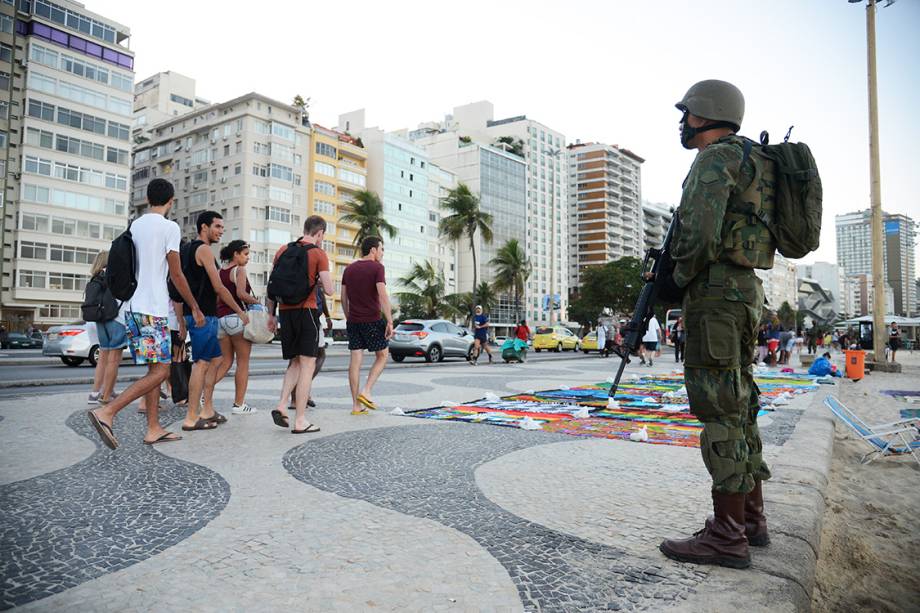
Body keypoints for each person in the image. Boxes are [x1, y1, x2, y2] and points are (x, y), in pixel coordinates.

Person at [656, 80, 774, 569]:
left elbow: (700, 233)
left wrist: (675, 278)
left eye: (687, 114)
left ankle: (727, 535)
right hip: (745, 292)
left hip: (716, 294)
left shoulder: (714, 158)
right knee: (740, 400)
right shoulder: (755, 160)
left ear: (705, 114)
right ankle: (750, 518)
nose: (683, 122)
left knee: (719, 408)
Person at [87, 178, 204, 448]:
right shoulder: (169, 227)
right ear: (171, 201)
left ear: (148, 199)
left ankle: (153, 427)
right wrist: (194, 306)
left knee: (155, 368)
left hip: (132, 308)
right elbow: (176, 272)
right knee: (162, 372)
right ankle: (107, 412)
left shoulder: (135, 225)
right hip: (153, 310)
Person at [180, 212, 250, 432]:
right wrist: (239, 311)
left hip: (203, 314)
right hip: (203, 316)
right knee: (201, 363)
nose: (221, 231)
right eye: (217, 226)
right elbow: (218, 287)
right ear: (204, 227)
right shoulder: (203, 250)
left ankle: (207, 408)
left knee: (217, 358)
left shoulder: (188, 249)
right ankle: (192, 417)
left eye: (222, 227)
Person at [267, 216, 333, 432]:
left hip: (285, 313)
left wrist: (271, 315)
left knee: (295, 362)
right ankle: (300, 420)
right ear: (320, 233)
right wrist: (319, 280)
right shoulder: (318, 253)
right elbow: (330, 289)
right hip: (307, 311)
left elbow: (272, 284)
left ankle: (281, 405)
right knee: (307, 364)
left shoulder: (283, 250)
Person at [341, 236, 393, 415]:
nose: (382, 253)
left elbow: (343, 298)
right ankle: (367, 390)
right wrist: (390, 321)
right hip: (371, 320)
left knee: (355, 362)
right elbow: (383, 295)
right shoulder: (377, 268)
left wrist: (350, 318)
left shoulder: (348, 269)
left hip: (354, 321)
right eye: (382, 249)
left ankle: (356, 406)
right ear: (373, 250)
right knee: (383, 355)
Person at [213, 240, 262, 415]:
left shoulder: (220, 272)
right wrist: (258, 303)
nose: (248, 258)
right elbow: (242, 294)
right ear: (236, 254)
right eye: (246, 254)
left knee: (225, 362)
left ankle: (203, 393)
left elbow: (218, 299)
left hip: (221, 320)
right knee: (243, 363)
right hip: (237, 318)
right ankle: (239, 405)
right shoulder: (239, 270)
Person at [86, 251, 126, 405]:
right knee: (114, 359)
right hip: (115, 318)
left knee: (103, 357)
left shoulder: (95, 277)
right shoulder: (113, 275)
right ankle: (106, 393)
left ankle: (95, 393)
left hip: (99, 319)